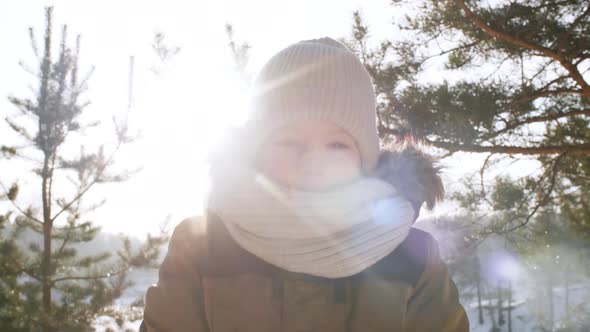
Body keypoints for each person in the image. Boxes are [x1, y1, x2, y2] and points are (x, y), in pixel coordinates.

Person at [140, 36, 469, 331]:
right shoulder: (201, 247)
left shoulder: (413, 258)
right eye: (289, 142)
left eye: (337, 145)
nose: (314, 161)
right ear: (258, 151)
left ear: (364, 158)